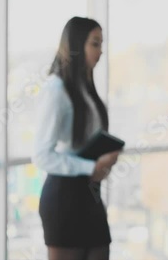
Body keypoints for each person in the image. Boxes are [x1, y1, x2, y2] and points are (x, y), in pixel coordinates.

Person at [32, 17, 120, 260]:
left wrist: (103, 160)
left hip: (90, 194)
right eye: (95, 43)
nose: (101, 51)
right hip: (64, 198)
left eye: (102, 43)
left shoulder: (85, 87)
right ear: (76, 45)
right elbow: (41, 155)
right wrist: (92, 165)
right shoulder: (56, 89)